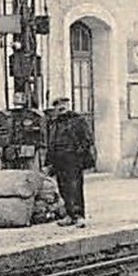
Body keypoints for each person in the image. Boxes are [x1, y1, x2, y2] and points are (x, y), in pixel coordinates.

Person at [46, 96, 95, 228]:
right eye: (58, 105)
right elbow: (51, 142)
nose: (61, 107)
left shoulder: (77, 120)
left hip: (73, 159)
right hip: (59, 159)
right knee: (63, 187)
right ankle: (69, 215)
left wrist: (79, 154)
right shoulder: (55, 123)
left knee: (74, 187)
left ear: (69, 105)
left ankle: (79, 216)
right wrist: (50, 161)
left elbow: (87, 139)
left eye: (63, 104)